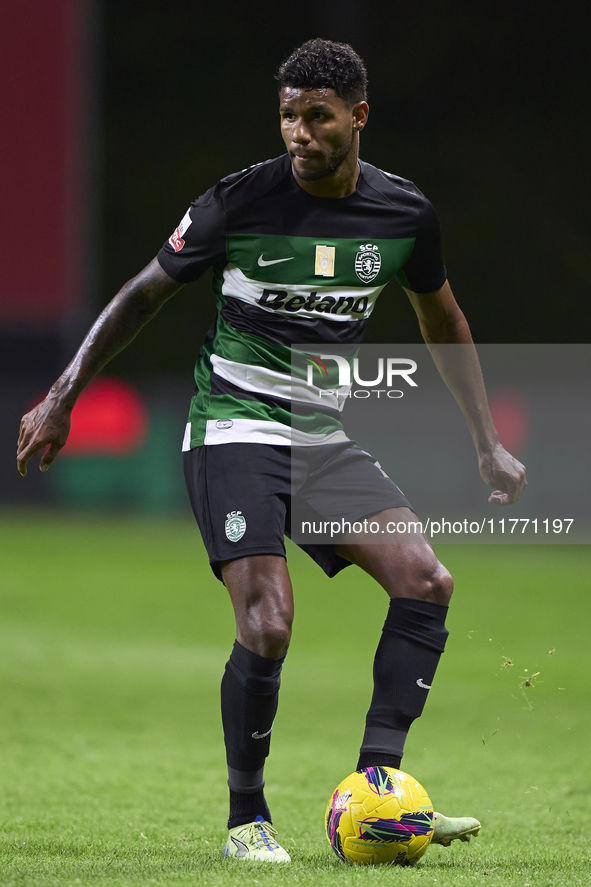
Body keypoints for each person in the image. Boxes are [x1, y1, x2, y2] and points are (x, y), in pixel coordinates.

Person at [17, 39, 526, 863]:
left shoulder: (401, 215)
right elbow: (141, 294)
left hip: (319, 438)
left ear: (357, 117)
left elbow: (442, 319)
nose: (298, 132)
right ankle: (245, 819)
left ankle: (379, 792)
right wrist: (63, 393)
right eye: (288, 115)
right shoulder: (236, 202)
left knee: (426, 578)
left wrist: (486, 443)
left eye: (316, 116)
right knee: (270, 617)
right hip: (232, 427)